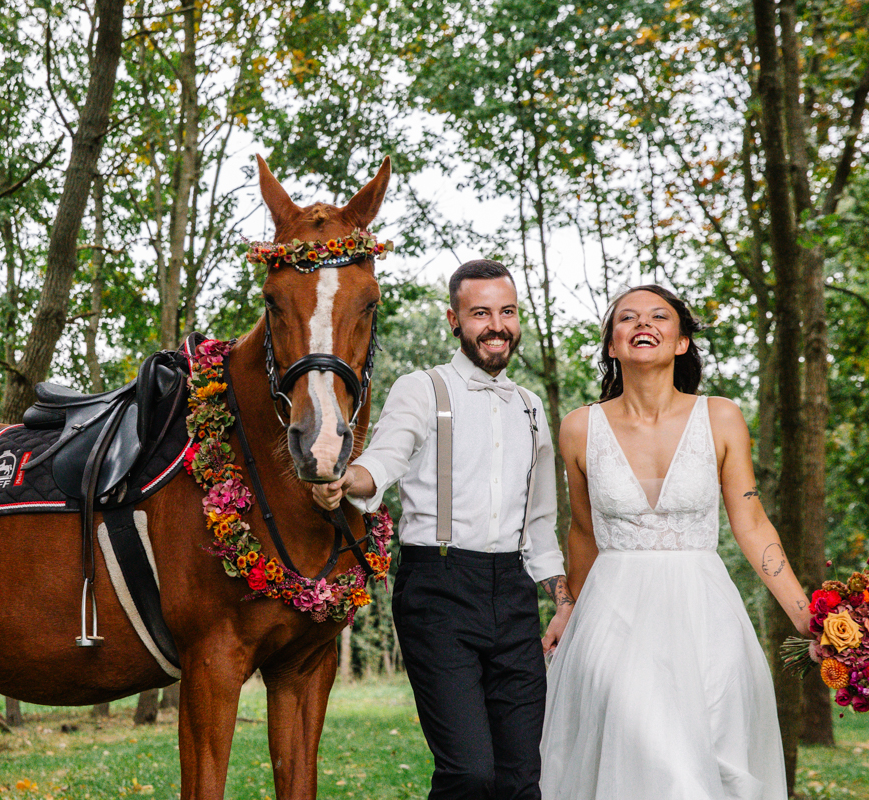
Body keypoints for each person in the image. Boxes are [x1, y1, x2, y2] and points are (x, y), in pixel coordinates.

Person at [539, 285, 813, 800]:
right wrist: (567, 607)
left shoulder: (722, 417)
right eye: (627, 318)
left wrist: (806, 614)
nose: (644, 324)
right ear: (613, 345)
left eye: (659, 316)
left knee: (711, 761)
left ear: (681, 341)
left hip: (704, 616)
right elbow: (582, 531)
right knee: (648, 755)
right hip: (614, 618)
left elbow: (751, 522)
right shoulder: (579, 428)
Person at [313, 259, 573, 800]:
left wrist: (562, 598)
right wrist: (346, 479)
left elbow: (540, 521)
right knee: (469, 773)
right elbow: (381, 462)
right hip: (440, 590)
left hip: (516, 596)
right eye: (480, 313)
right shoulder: (421, 389)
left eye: (506, 311)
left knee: (522, 779)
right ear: (453, 321)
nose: (496, 325)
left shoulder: (529, 409)